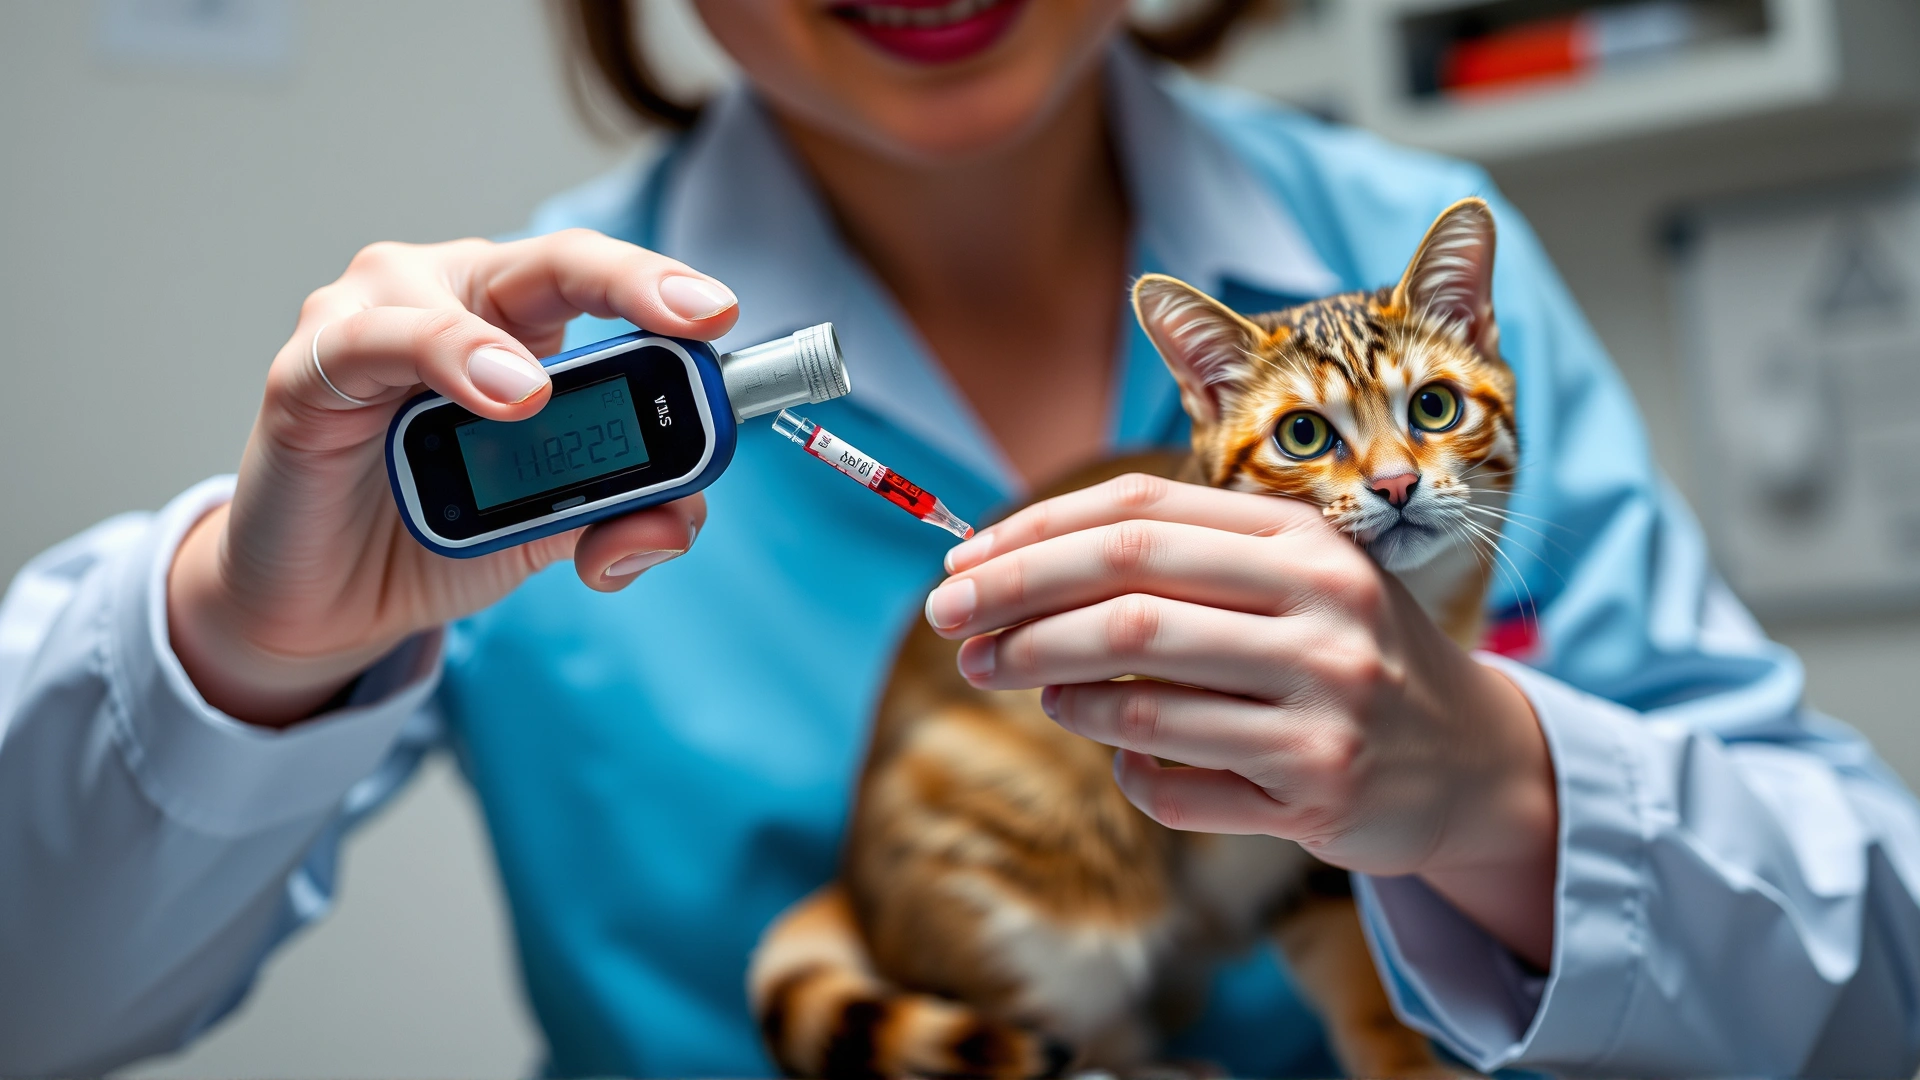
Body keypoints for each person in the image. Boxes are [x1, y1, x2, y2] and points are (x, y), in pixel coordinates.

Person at [3, 1, 1919, 1075]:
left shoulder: (1431, 269)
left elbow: (1879, 976)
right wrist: (238, 646)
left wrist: (1501, 786)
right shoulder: (519, 385)